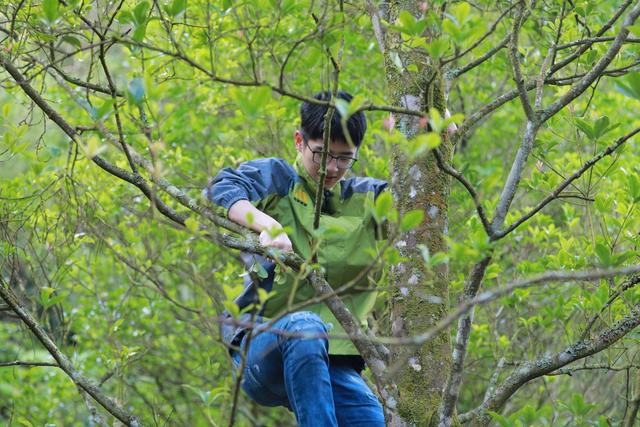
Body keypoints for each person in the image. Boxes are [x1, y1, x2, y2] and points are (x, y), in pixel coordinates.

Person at [205, 90, 387, 426]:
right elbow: (222, 188)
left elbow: (421, 207)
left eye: (345, 158)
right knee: (305, 327)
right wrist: (267, 225)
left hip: (334, 364)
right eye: (322, 154)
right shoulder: (277, 179)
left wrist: (430, 140)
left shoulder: (368, 198)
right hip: (264, 347)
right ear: (299, 140)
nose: (332, 168)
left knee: (374, 421)